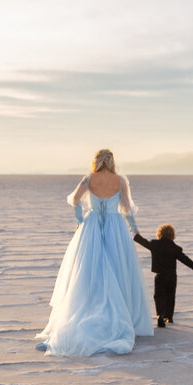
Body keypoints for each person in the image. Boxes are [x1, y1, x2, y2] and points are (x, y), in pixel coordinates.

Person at [35, 148, 154, 356]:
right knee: (118, 270)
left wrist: (80, 219)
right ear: (112, 161)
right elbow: (126, 208)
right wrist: (134, 228)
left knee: (86, 272)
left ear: (96, 161)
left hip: (91, 227)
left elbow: (74, 201)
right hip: (115, 226)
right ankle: (120, 316)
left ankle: (82, 313)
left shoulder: (88, 179)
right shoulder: (120, 181)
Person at [133, 224, 193, 327]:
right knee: (170, 296)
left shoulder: (155, 244)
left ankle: (160, 315)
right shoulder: (175, 248)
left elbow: (144, 242)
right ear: (172, 235)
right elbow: (184, 259)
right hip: (172, 277)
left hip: (160, 276)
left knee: (159, 296)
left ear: (160, 234)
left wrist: (137, 236)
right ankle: (169, 317)